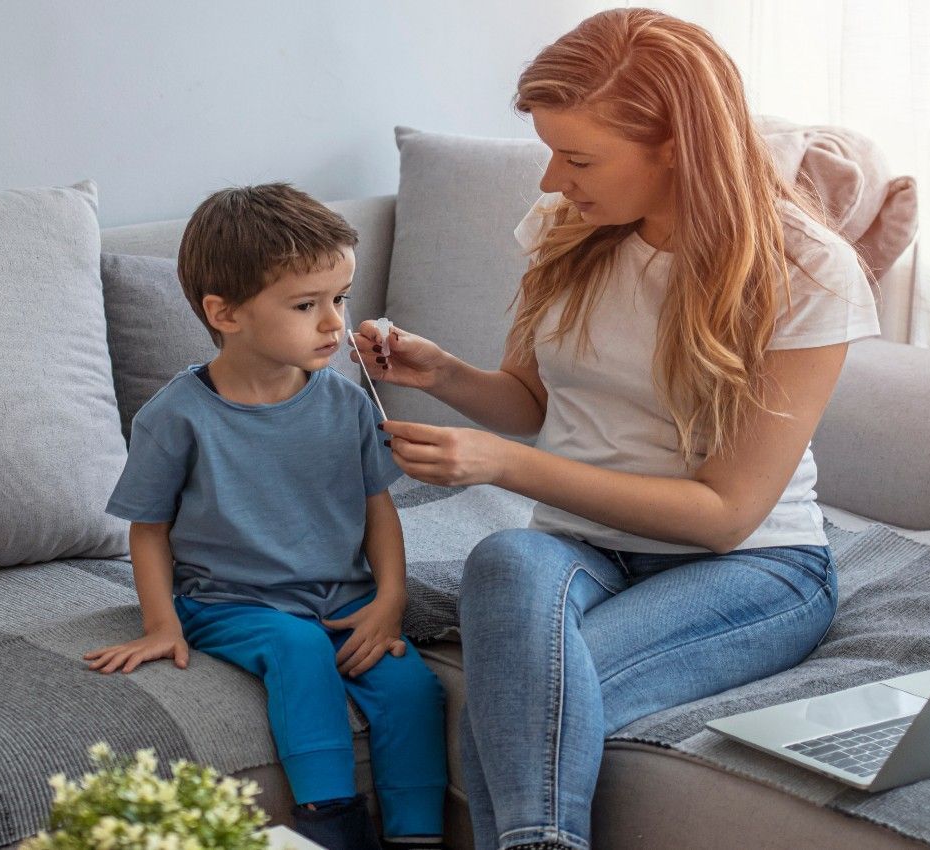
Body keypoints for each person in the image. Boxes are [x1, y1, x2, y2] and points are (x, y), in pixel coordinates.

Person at [351, 9, 882, 849]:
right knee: (506, 558)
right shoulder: (569, 231)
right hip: (580, 547)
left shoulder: (805, 269)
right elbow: (529, 400)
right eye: (552, 151)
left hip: (749, 567)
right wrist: (443, 375)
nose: (553, 181)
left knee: (526, 694)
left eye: (579, 156)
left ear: (674, 143)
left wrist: (501, 467)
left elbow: (725, 512)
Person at [87, 183, 446, 850]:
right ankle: (330, 821)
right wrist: (162, 623)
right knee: (297, 646)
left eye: (339, 298)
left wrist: (389, 600)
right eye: (307, 305)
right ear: (225, 313)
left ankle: (417, 835)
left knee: (411, 688)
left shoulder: (346, 404)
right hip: (228, 602)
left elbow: (379, 509)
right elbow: (149, 529)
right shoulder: (176, 417)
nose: (335, 323)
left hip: (341, 597)